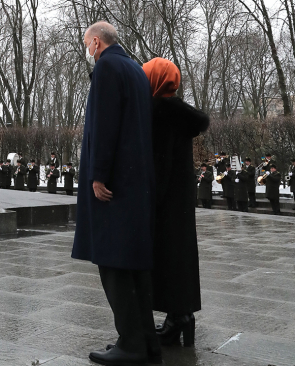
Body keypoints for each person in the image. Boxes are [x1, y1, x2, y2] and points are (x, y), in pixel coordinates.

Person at [71, 22, 161, 365]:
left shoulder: (107, 67)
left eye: (87, 45)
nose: (88, 50)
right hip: (135, 182)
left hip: (114, 185)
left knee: (112, 263)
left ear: (96, 42)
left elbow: (106, 125)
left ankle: (131, 342)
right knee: (134, 265)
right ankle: (146, 340)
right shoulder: (136, 69)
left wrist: (98, 174)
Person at [144, 58, 209, 349]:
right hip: (181, 197)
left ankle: (178, 319)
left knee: (168, 257)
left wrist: (150, 199)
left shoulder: (160, 113)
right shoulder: (180, 114)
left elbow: (161, 162)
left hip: (166, 199)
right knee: (181, 258)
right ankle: (181, 316)